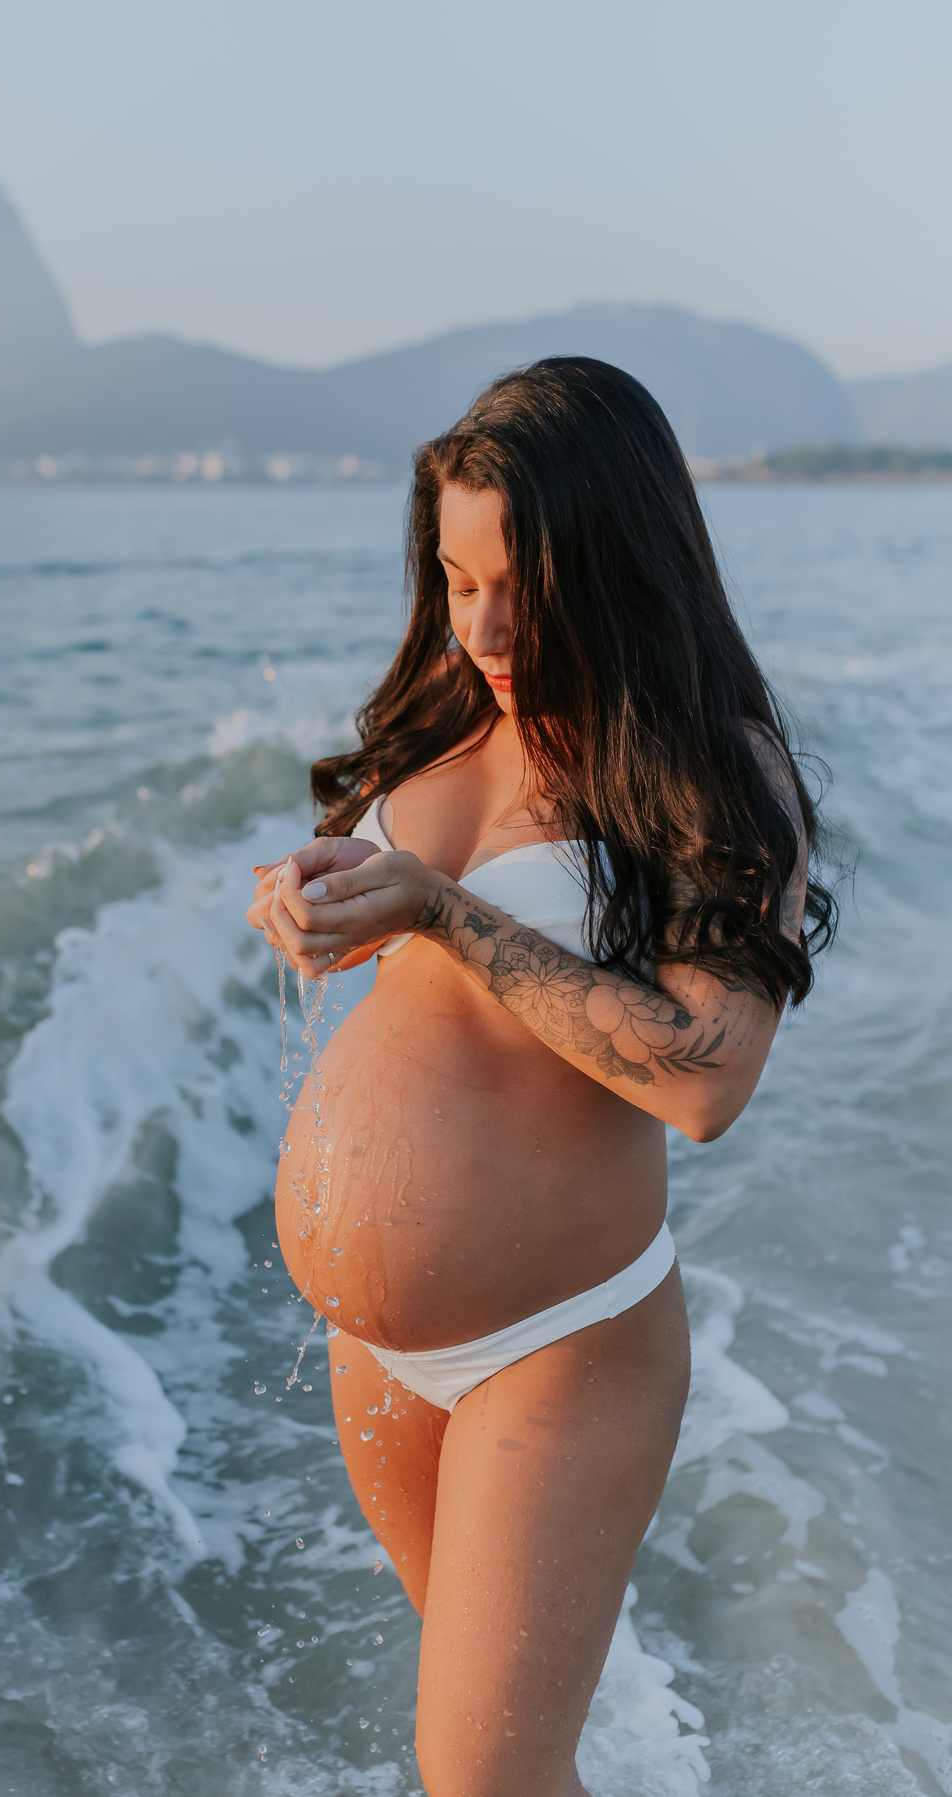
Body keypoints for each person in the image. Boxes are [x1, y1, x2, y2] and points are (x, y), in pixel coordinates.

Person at [246, 358, 834, 1796]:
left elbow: (705, 1079)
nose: (486, 625)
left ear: (619, 560)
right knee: (494, 1761)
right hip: (379, 1356)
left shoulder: (715, 771)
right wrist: (314, 897)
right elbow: (407, 961)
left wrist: (440, 910)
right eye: (457, 581)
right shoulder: (449, 715)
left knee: (484, 1776)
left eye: (522, 584)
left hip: (561, 1345)